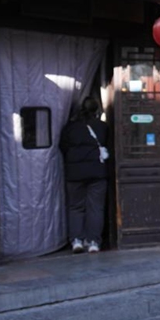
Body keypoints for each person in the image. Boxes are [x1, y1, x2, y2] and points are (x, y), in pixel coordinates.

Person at [60, 97, 109, 254]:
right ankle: (94, 242)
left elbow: (63, 147)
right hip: (97, 171)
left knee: (75, 207)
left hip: (74, 174)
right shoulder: (102, 127)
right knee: (96, 207)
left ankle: (76, 241)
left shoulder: (70, 128)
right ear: (96, 110)